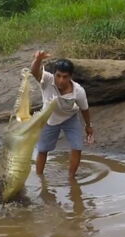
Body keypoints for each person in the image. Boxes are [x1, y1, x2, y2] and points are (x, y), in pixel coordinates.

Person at [31, 50, 94, 179]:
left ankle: (71, 178)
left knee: (77, 147)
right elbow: (34, 72)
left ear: (70, 77)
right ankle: (40, 179)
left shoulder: (78, 91)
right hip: (49, 119)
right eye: (58, 76)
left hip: (69, 118)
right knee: (43, 150)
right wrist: (38, 60)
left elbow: (85, 109)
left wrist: (88, 126)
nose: (61, 80)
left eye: (65, 77)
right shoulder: (47, 80)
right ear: (54, 74)